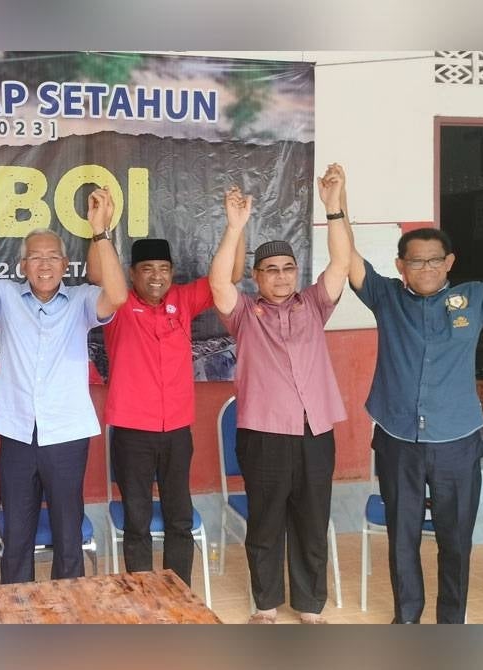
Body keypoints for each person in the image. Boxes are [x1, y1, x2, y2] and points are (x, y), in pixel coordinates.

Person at [349, 166, 483, 624]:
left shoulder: (477, 298)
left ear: (450, 261)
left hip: (456, 442)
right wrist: (336, 205)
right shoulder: (386, 297)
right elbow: (347, 260)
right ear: (400, 265)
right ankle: (407, 619)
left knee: (455, 538)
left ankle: (451, 625)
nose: (424, 268)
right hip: (398, 440)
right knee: (402, 535)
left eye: (433, 260)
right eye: (415, 261)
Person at [0, 183, 128, 584]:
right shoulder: (5, 297)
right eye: (35, 258)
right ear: (22, 266)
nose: (44, 265)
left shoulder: (81, 301)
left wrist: (101, 232)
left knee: (67, 536)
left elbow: (116, 294)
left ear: (66, 265)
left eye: (52, 258)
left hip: (66, 435)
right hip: (17, 434)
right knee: (17, 537)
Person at [208, 164, 352, 623]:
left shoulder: (314, 304)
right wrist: (235, 228)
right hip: (264, 436)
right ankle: (266, 607)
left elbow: (342, 264)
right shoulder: (244, 314)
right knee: (266, 524)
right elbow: (217, 283)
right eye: (271, 270)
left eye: (289, 268)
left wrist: (334, 209)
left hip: (315, 432)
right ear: (257, 276)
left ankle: (310, 608)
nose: (282, 276)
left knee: (311, 522)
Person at [88, 231, 243, 587]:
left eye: (163, 269)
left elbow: (231, 276)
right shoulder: (120, 303)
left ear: (172, 272)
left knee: (179, 518)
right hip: (132, 432)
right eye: (147, 269)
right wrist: (100, 232)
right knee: (137, 520)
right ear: (131, 273)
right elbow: (98, 274)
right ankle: (144, 599)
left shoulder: (183, 299)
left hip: (176, 431)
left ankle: (179, 594)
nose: (156, 276)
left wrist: (237, 226)